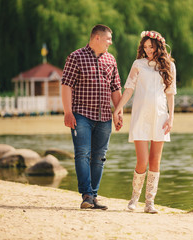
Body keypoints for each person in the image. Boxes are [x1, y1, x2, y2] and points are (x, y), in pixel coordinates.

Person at [113, 30, 176, 213]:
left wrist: (171, 117)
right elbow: (129, 89)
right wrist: (117, 109)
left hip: (160, 117)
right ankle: (134, 198)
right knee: (142, 161)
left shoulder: (169, 66)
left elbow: (170, 94)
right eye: (145, 47)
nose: (148, 50)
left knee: (155, 161)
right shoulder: (138, 64)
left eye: (151, 46)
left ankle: (150, 202)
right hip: (140, 116)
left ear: (159, 46)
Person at [61, 24, 123, 210]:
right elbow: (66, 85)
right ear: (97, 37)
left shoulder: (111, 60)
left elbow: (115, 89)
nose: (110, 43)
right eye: (108, 39)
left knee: (100, 157)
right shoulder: (75, 57)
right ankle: (86, 195)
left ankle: (93, 196)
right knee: (82, 153)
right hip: (81, 115)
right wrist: (67, 111)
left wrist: (118, 112)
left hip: (104, 116)